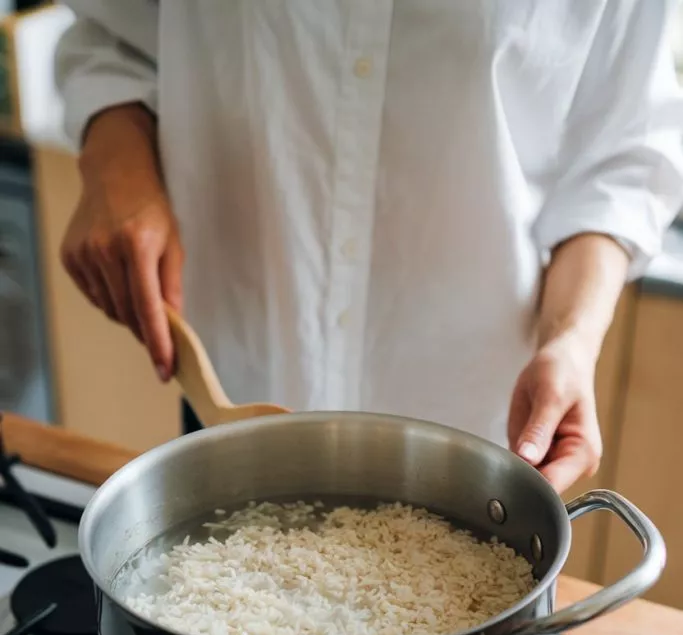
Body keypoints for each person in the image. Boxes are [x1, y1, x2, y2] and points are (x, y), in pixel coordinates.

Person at [55, 1, 683, 492]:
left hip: (473, 423)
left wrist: (571, 342)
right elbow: (114, 34)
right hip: (236, 384)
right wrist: (117, 162)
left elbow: (620, 160)